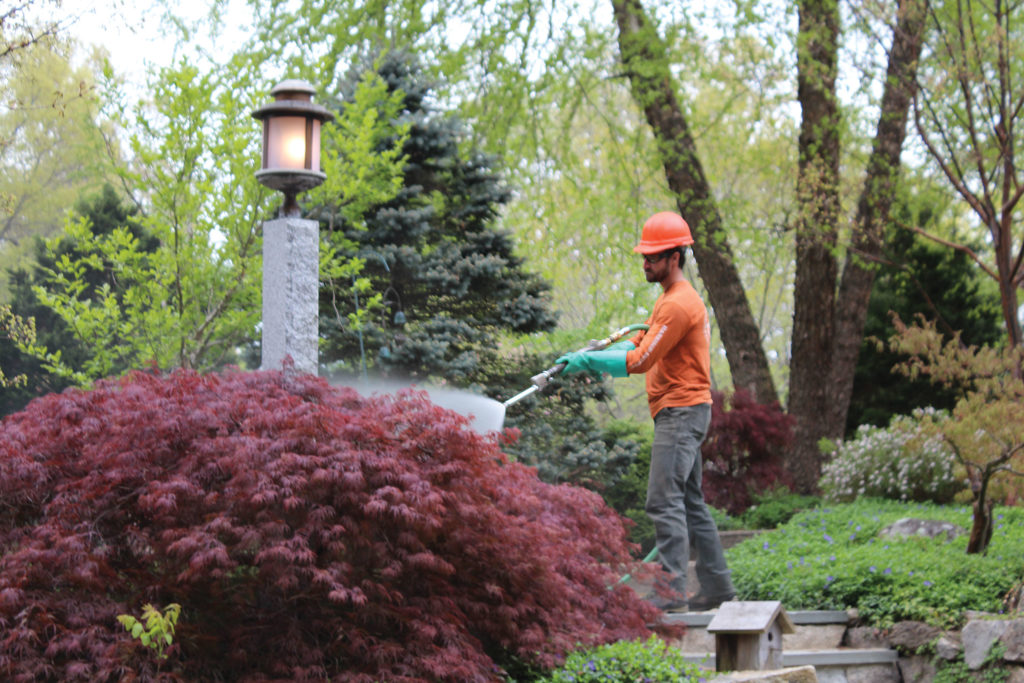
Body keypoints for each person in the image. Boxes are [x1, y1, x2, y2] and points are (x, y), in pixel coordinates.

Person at [556, 211, 735, 613]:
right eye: (644, 256)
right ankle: (719, 588)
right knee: (689, 502)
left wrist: (588, 365)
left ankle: (670, 595)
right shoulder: (667, 302)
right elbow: (637, 342)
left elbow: (638, 361)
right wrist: (591, 354)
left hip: (680, 413)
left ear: (675, 257)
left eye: (652, 257)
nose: (645, 263)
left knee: (663, 500)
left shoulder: (679, 306)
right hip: (685, 411)